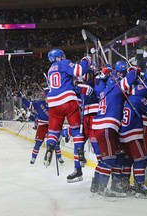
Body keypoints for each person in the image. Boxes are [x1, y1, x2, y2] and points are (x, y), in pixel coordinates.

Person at [43, 48, 91, 182]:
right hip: (68, 100)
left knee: (53, 131)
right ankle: (80, 154)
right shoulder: (63, 63)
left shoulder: (50, 70)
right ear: (58, 57)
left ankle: (50, 147)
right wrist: (86, 60)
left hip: (53, 104)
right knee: (76, 131)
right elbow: (80, 71)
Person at [91, 64, 138, 197]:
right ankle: (102, 188)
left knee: (106, 158)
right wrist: (132, 69)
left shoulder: (103, 92)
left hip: (99, 127)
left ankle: (98, 186)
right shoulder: (116, 89)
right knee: (110, 159)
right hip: (107, 126)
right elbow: (130, 79)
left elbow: (98, 82)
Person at [21, 88, 64, 165]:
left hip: (52, 126)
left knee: (55, 144)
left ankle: (59, 157)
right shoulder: (39, 103)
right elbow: (30, 105)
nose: (48, 99)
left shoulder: (55, 104)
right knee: (38, 143)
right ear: (45, 97)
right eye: (47, 98)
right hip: (41, 126)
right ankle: (33, 158)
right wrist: (23, 98)